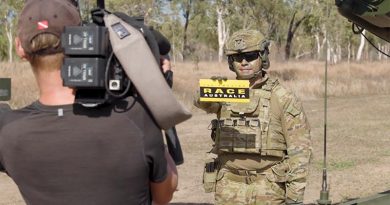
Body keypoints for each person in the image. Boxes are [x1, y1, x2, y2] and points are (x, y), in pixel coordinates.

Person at [0, 0, 177, 204]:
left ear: (20, 47)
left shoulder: (8, 131)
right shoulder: (136, 118)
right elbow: (164, 194)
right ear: (83, 38)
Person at [194, 30, 312, 205]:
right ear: (230, 62)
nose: (243, 62)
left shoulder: (282, 96)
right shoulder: (226, 91)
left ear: (262, 57)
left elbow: (300, 151)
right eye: (237, 57)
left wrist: (294, 198)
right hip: (228, 188)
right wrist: (208, 90)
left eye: (250, 56)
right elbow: (201, 102)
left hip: (268, 189)